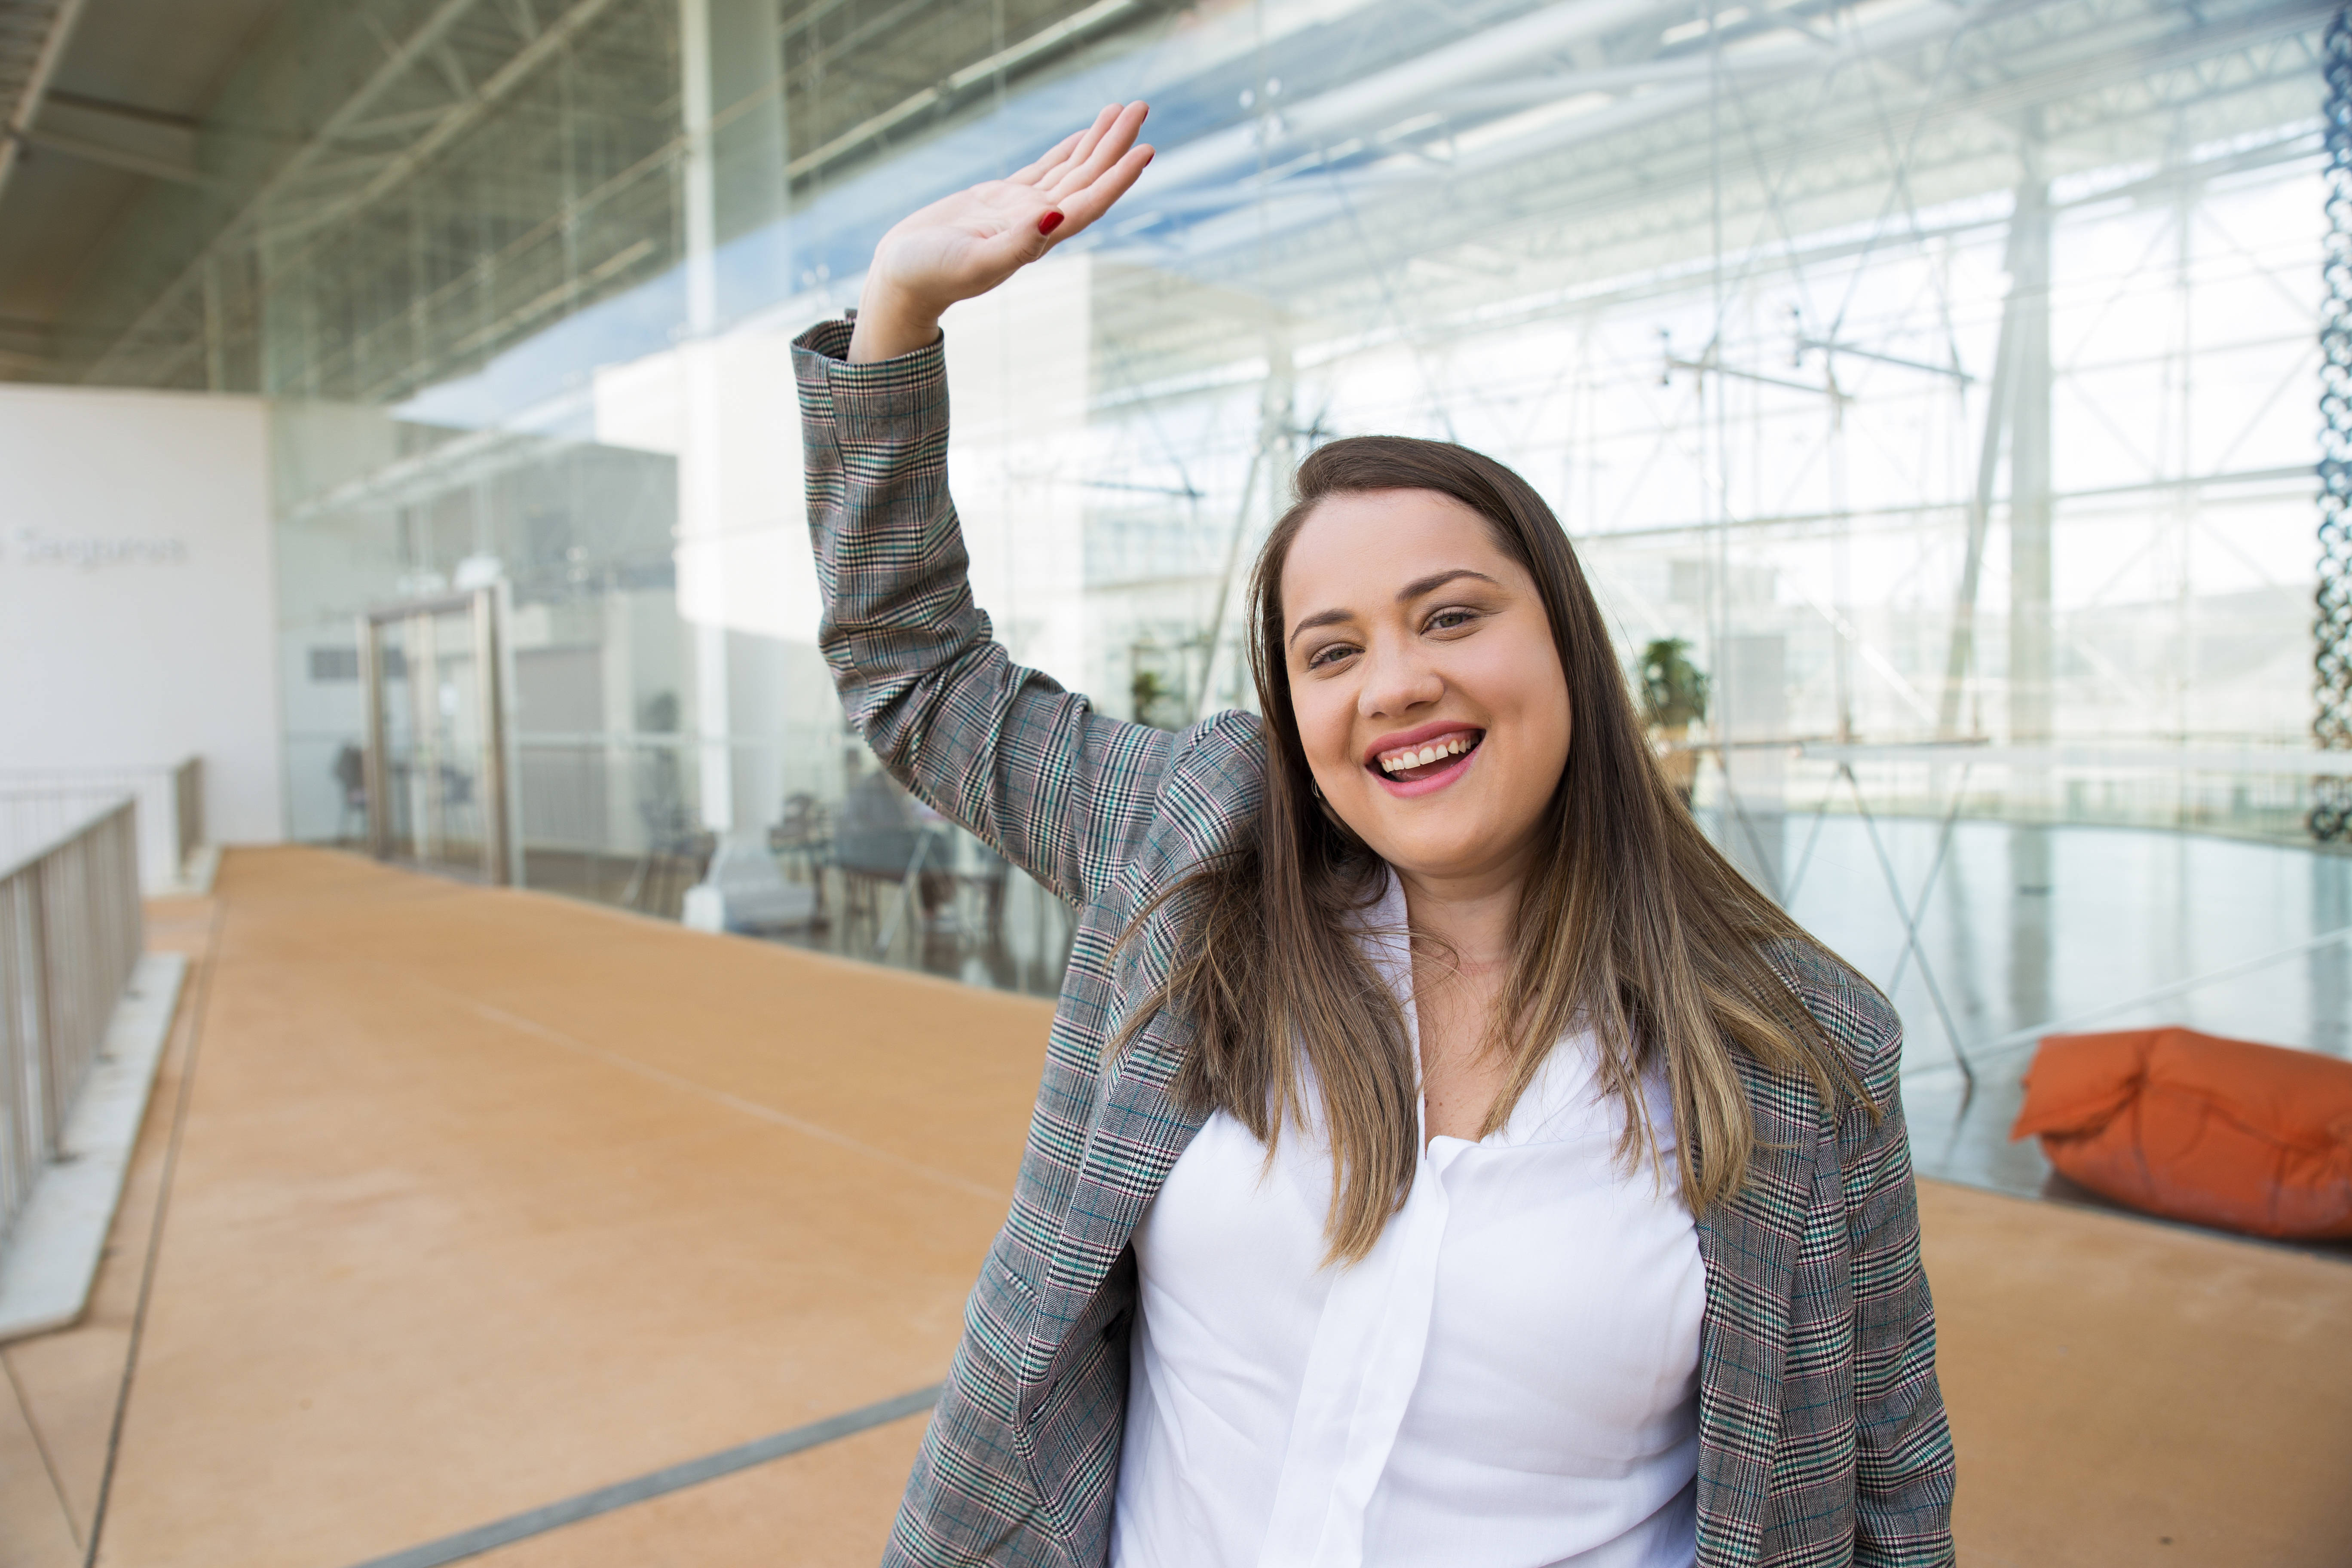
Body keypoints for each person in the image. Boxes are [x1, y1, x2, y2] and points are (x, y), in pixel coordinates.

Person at [793, 102, 1954, 1568]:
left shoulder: (1803, 1058)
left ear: (1566, 647)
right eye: (1329, 652)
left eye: (1453, 616)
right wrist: (901, 311)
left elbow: (1885, 1492)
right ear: (1292, 715)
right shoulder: (1191, 847)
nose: (1396, 681)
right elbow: (917, 665)